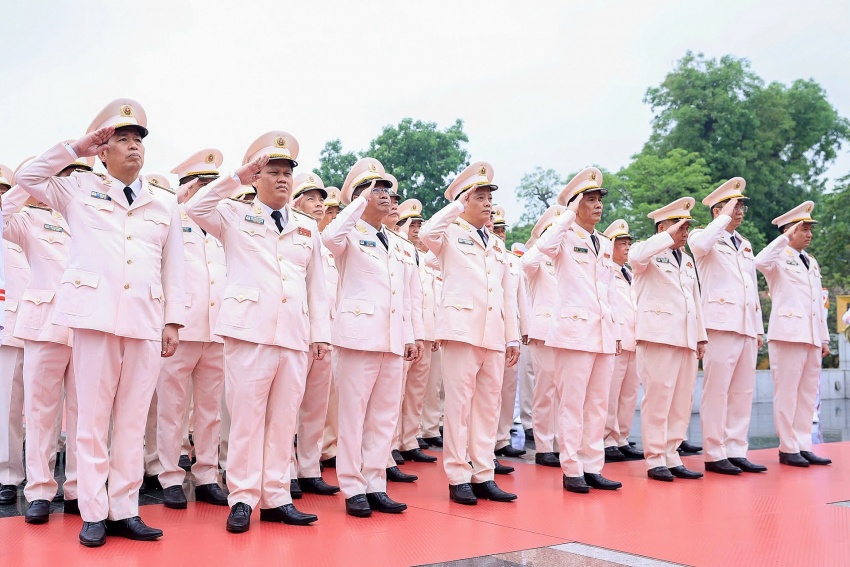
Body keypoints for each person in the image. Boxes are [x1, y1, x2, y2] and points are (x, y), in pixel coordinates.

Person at [16, 99, 186, 546]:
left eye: (138, 141)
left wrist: (174, 322)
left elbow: (174, 268)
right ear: (103, 152)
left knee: (130, 421)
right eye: (121, 140)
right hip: (93, 320)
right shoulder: (77, 190)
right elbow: (27, 178)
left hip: (145, 323)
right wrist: (77, 146)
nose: (132, 147)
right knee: (90, 420)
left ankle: (124, 509)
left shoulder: (163, 206)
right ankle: (92, 510)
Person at [185, 131, 331, 532]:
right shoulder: (233, 213)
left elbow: (316, 286)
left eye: (288, 172)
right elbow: (197, 206)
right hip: (250, 333)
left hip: (294, 335)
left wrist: (320, 334)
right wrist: (237, 175)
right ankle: (243, 498)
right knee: (247, 419)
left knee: (284, 420)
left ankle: (277, 496)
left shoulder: (307, 228)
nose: (283, 179)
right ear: (256, 177)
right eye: (274, 171)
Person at [419, 161, 520, 506]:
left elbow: (505, 293)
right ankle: (458, 475)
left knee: (488, 408)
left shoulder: (495, 243)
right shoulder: (449, 232)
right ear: (464, 200)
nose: (488, 202)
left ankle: (483, 473)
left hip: (492, 334)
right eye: (480, 196)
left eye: (489, 196)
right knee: (459, 408)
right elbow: (426, 233)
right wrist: (456, 205)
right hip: (461, 331)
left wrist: (512, 336)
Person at [322, 158, 418, 518]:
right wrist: (358, 203)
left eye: (385, 190)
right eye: (375, 189)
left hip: (391, 340)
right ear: (359, 197)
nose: (383, 195)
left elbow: (404, 296)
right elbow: (329, 238)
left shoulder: (395, 243)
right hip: (358, 339)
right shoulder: (348, 233)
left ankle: (376, 482)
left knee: (383, 417)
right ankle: (352, 486)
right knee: (353, 416)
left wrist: (410, 335)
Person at [3, 155, 91, 523]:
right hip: (43, 325)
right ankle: (39, 489)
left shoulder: (88, 219)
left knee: (85, 414)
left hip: (86, 325)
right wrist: (34, 181)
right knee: (41, 413)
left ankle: (76, 489)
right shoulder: (27, 218)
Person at [532, 168, 622, 494]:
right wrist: (567, 213)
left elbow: (608, 290)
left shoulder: (605, 242)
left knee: (598, 403)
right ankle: (571, 468)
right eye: (590, 199)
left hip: (602, 333)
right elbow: (543, 246)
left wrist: (617, 330)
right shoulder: (565, 236)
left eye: (599, 199)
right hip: (573, 332)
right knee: (572, 403)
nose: (597, 205)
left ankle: (592, 465)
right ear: (576, 204)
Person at [155, 149, 230, 509]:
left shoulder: (220, 227)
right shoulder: (169, 219)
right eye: (202, 184)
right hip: (180, 329)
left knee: (209, 411)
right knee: (172, 408)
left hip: (216, 332)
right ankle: (169, 476)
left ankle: (206, 475)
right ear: (185, 188)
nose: (208, 192)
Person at [689, 178, 767, 475]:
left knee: (742, 392)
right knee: (717, 391)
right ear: (717, 211)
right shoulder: (704, 236)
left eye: (741, 206)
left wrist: (758, 328)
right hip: (720, 325)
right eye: (734, 206)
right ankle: (714, 451)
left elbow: (750, 287)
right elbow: (698, 245)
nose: (740, 211)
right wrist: (721, 220)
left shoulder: (744, 244)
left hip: (745, 325)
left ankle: (736, 448)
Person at [628, 197, 707, 483]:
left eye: (688, 226)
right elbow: (635, 258)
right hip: (658, 336)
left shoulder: (686, 260)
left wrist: (700, 336)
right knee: (658, 399)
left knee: (680, 401)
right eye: (680, 225)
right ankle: (655, 458)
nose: (686, 231)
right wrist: (665, 237)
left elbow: (693, 300)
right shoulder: (647, 253)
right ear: (663, 228)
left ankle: (673, 454)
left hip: (685, 337)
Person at [755, 202, 832, 467]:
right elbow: (759, 261)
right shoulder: (778, 257)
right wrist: (784, 237)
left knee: (807, 394)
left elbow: (816, 304)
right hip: (788, 334)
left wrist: (823, 338)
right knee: (787, 393)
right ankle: (788, 447)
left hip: (810, 336)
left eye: (810, 229)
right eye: (804, 229)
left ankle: (803, 444)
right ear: (789, 231)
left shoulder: (810, 261)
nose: (809, 234)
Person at [288, 171, 340, 496]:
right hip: (295, 332)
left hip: (325, 335)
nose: (319, 204)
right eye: (311, 198)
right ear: (296, 202)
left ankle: (309, 468)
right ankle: (288, 472)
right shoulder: (287, 235)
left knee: (316, 407)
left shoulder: (329, 245)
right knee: (288, 407)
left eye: (322, 199)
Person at [521, 206, 565, 468]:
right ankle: (544, 445)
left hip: (566, 331)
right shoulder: (536, 258)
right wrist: (544, 240)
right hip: (544, 330)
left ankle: (561, 442)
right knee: (545, 391)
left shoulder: (565, 257)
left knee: (564, 391)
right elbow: (527, 262)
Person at [601, 219, 644, 463]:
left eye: (629, 243)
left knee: (629, 394)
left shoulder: (632, 273)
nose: (627, 247)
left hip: (634, 340)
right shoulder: (605, 270)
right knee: (611, 393)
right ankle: (607, 439)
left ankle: (622, 438)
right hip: (616, 341)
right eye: (622, 243)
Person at [492, 206, 529, 471]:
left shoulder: (513, 261)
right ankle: (481, 448)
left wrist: (523, 330)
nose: (500, 234)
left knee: (507, 390)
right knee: (486, 394)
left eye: (503, 230)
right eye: (496, 229)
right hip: (487, 330)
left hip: (510, 332)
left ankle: (501, 438)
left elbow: (521, 300)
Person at [0, 163, 28, 508]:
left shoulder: (38, 223)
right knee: (7, 407)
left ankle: (42, 476)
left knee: (43, 413)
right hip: (7, 327)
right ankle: (7, 474)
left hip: (47, 327)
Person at [319, 187, 342, 470]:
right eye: (330, 212)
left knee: (327, 402)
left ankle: (321, 454)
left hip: (333, 332)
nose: (334, 216)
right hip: (304, 332)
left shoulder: (334, 251)